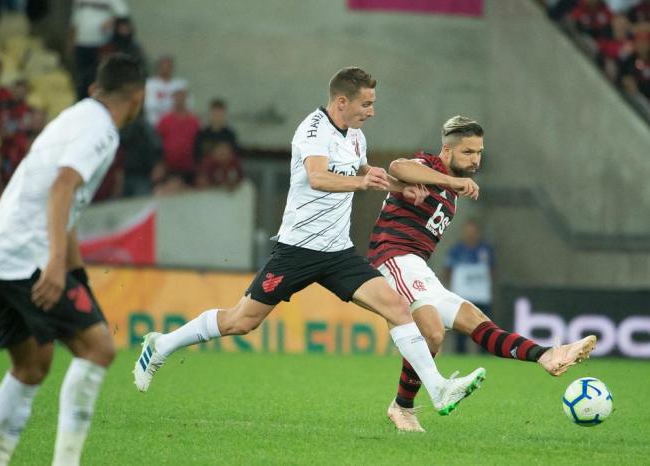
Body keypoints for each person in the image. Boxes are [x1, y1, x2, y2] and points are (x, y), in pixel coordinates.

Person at [133, 67, 486, 418]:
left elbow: (360, 171)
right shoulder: (313, 130)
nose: (372, 111)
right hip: (297, 250)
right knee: (241, 321)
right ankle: (162, 345)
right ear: (342, 101)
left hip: (338, 252)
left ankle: (437, 389)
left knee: (396, 307)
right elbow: (318, 177)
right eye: (366, 103)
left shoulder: (356, 136)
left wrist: (397, 186)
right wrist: (363, 184)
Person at [366, 115, 597, 432]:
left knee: (476, 322)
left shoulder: (450, 192)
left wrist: (451, 185)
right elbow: (398, 168)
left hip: (418, 266)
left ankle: (548, 356)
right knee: (433, 332)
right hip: (392, 257)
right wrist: (450, 180)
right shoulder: (429, 166)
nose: (475, 160)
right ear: (447, 151)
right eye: (468, 152)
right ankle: (412, 402)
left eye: (479, 152)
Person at [0, 53, 145, 466]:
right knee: (99, 348)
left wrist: (74, 270)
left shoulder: (75, 117)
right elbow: (63, 187)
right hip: (26, 256)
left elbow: (65, 202)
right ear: (138, 98)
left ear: (94, 89)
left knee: (32, 366)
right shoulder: (102, 129)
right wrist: (53, 264)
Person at [444, 218, 494, 354]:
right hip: (463, 298)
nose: (470, 234)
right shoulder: (456, 250)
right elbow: (448, 270)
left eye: (473, 231)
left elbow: (492, 270)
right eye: (468, 231)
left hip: (481, 297)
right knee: (461, 334)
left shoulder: (486, 250)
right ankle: (461, 358)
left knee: (484, 331)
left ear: (478, 233)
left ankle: (485, 360)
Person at [144, 55, 188, 126]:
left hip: (174, 126)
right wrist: (171, 103)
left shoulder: (179, 85)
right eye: (164, 65)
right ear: (159, 67)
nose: (166, 68)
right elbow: (149, 105)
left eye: (169, 66)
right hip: (154, 124)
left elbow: (187, 105)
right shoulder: (150, 84)